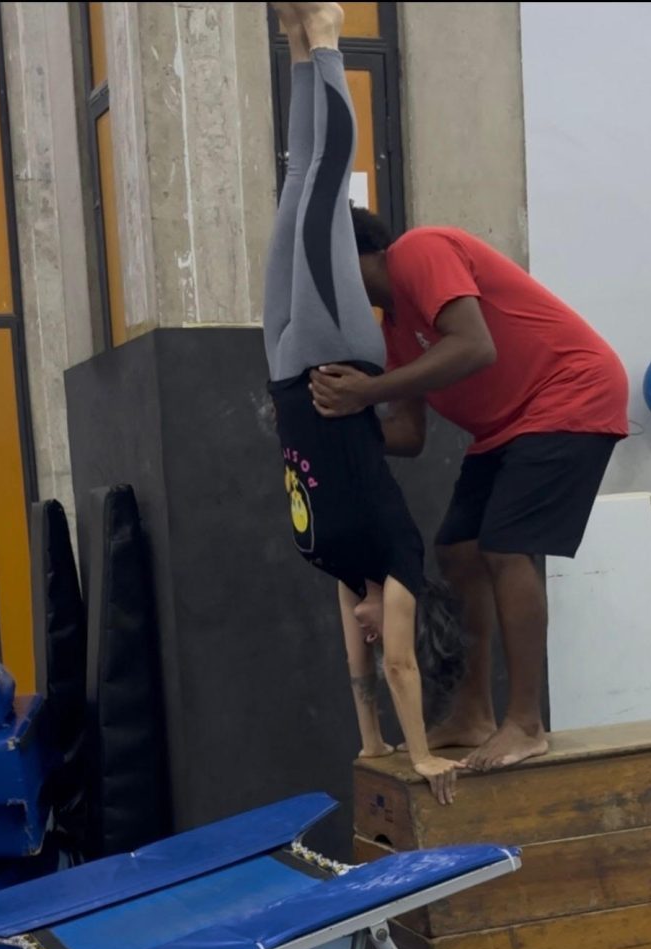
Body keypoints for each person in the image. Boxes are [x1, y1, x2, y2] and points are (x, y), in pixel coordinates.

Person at [309, 211, 629, 771]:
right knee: (458, 550)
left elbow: (475, 346)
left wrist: (370, 391)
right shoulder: (391, 333)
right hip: (504, 428)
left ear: (354, 257)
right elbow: (406, 435)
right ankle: (472, 712)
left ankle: (526, 723)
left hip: (570, 394)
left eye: (329, 275)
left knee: (504, 547)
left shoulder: (419, 251)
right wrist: (330, 433)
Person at [263, 1, 463, 804]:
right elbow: (400, 663)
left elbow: (362, 671)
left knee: (292, 180)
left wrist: (372, 739)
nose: (372, 634)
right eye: (385, 626)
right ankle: (330, 35)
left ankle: (291, 43)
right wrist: (418, 757)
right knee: (321, 185)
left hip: (285, 364)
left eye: (370, 631)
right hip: (335, 349)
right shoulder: (393, 555)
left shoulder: (349, 575)